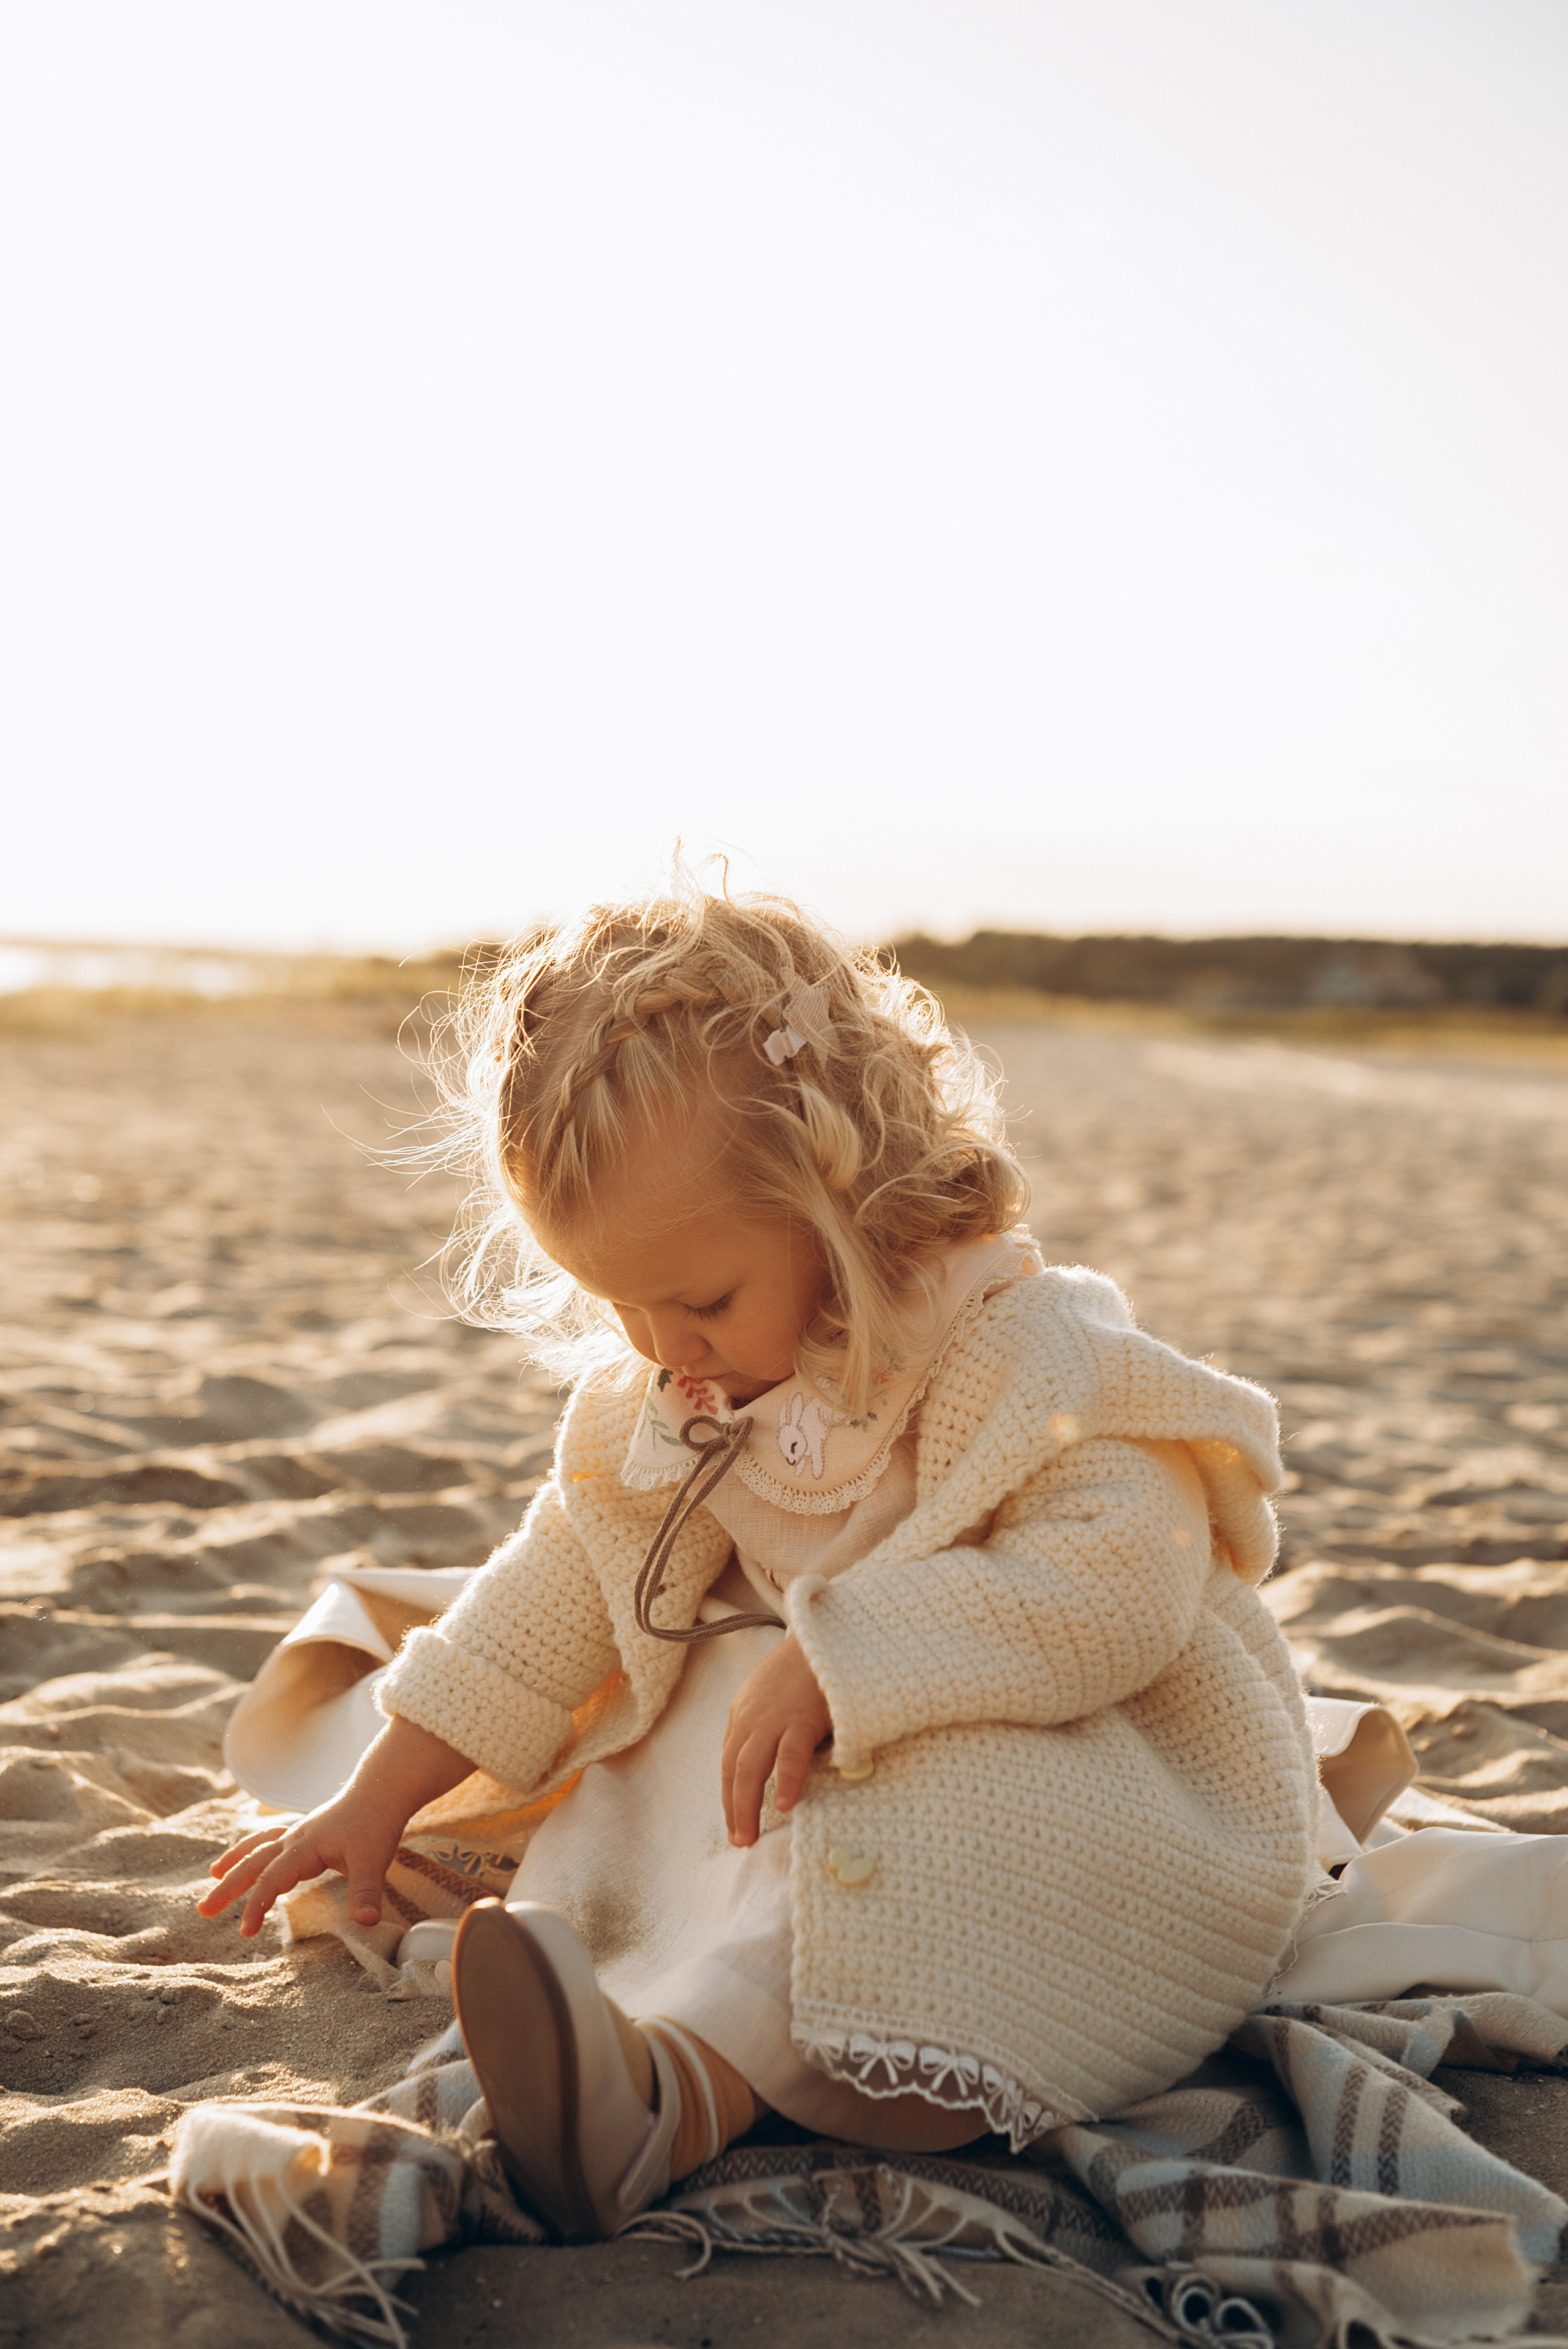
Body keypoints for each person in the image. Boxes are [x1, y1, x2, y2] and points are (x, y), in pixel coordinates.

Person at [197, 881, 1319, 2244]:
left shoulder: (1019, 1352)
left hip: (1073, 1749)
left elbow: (1116, 1593)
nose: (663, 1345)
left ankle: (665, 2103)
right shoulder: (679, 1397)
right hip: (801, 1745)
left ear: (834, 1198)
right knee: (661, 1779)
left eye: (701, 1299)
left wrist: (852, 1657)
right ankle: (622, 2045)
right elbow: (548, 1599)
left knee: (923, 1825)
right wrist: (381, 1793)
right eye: (615, 1303)